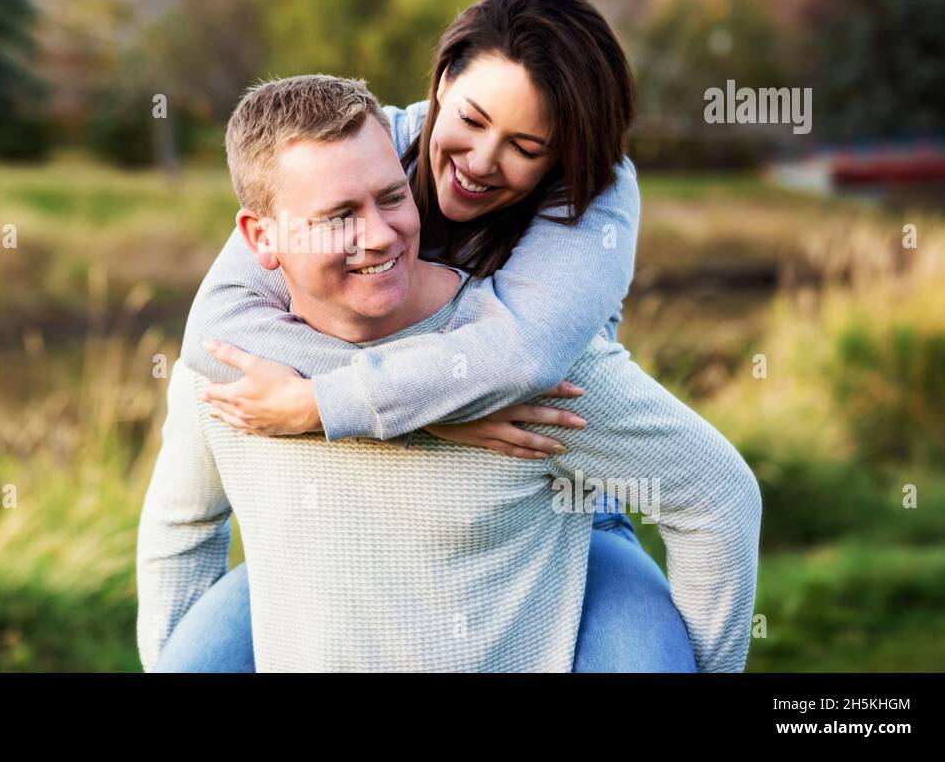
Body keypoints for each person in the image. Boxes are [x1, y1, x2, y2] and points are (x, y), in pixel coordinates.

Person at [136, 73, 761, 672]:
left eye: (391, 198)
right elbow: (182, 526)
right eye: (338, 217)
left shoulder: (529, 374)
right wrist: (425, 418)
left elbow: (718, 497)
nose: (380, 236)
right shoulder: (235, 366)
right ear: (260, 239)